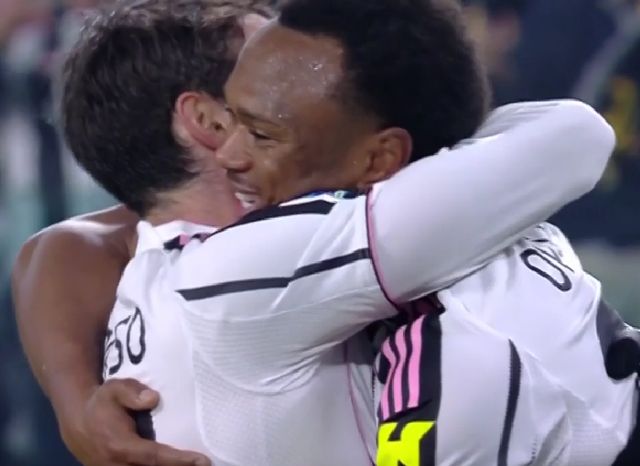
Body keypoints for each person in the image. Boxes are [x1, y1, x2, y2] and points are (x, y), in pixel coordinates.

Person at [13, 0, 616, 464]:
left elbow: (60, 244)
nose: (284, 56)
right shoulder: (248, 269)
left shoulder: (153, 268)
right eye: (263, 63)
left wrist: (72, 397)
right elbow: (573, 138)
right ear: (208, 121)